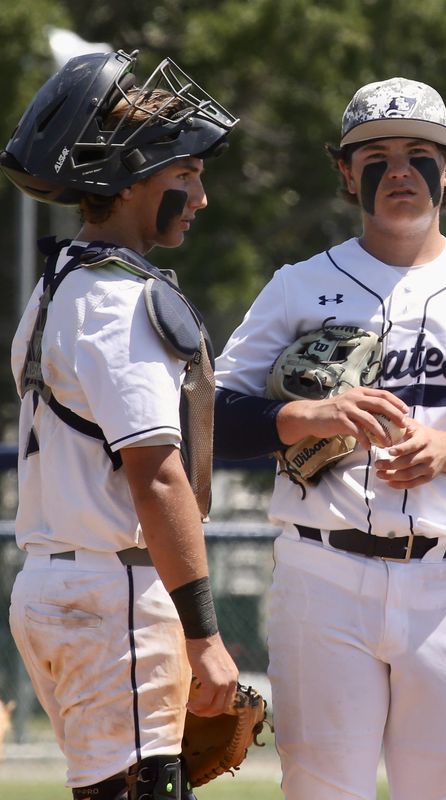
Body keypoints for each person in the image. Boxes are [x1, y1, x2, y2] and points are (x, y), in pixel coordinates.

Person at [213, 76, 446, 799]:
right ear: (346, 173)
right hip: (320, 576)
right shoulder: (297, 286)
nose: (399, 169)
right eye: (374, 154)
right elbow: (211, 416)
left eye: (420, 152)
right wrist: (299, 418)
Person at [2, 49, 239, 800]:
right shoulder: (118, 300)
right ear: (131, 182)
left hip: (63, 588)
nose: (200, 197)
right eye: (184, 176)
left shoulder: (59, 281)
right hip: (113, 597)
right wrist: (204, 637)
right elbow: (156, 473)